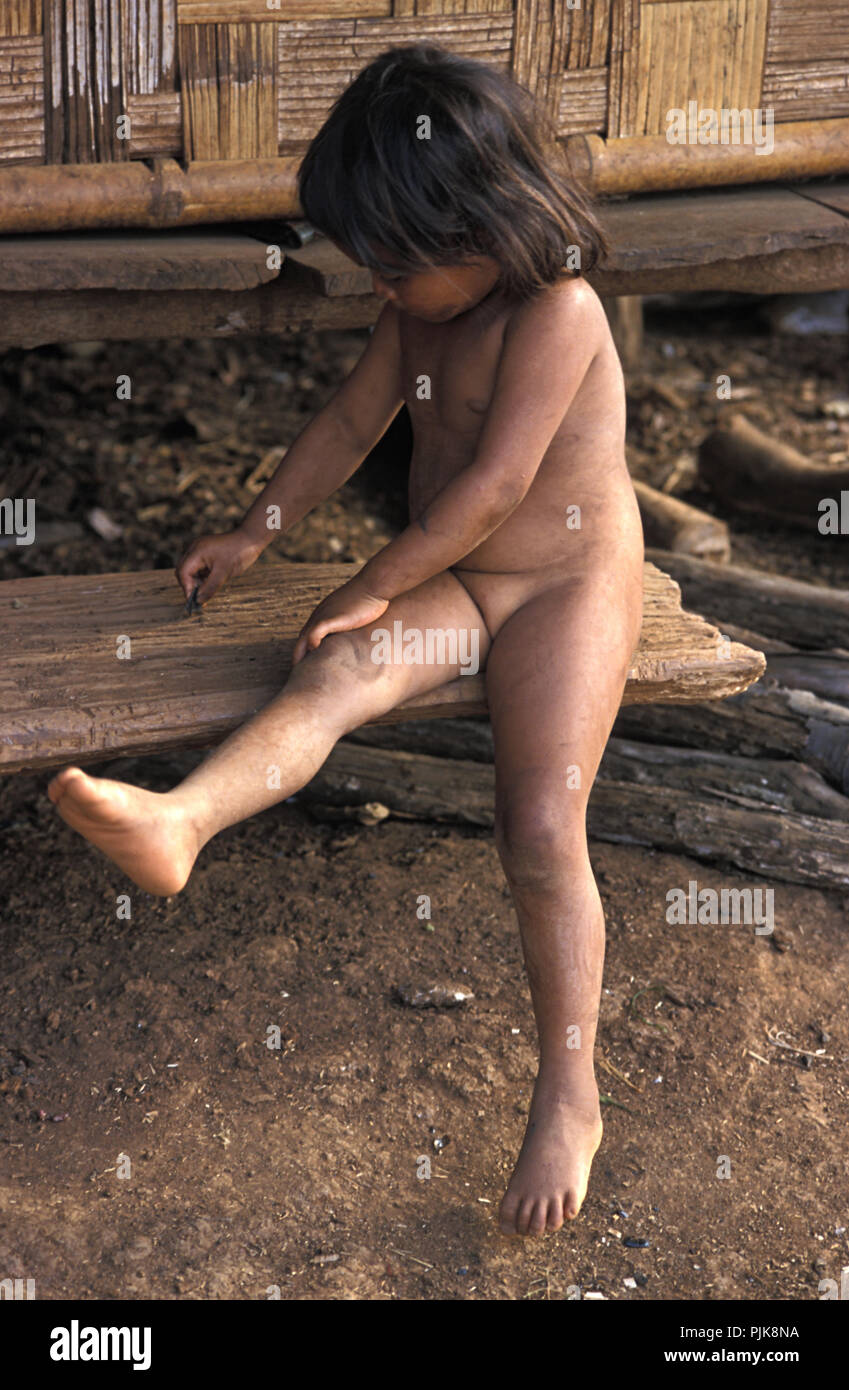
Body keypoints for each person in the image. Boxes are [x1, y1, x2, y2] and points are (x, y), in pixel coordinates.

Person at [48, 44, 644, 1237]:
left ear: (477, 227)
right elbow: (347, 421)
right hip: (463, 580)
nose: (373, 283)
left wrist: (375, 579)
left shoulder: (560, 310)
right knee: (330, 675)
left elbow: (493, 485)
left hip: (569, 585)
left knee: (539, 825)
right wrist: (257, 535)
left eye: (389, 260)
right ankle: (181, 821)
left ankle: (569, 1089)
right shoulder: (418, 315)